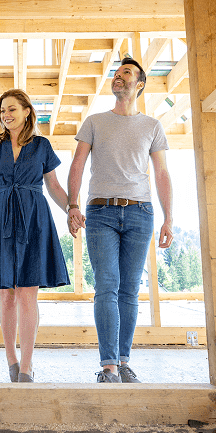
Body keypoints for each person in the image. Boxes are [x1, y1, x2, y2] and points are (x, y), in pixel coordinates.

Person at [67, 57, 174, 383]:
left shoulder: (152, 126)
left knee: (129, 290)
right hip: (101, 213)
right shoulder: (95, 122)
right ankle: (109, 367)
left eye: (125, 73)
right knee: (107, 286)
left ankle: (123, 362)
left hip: (141, 213)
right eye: (116, 73)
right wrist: (72, 205)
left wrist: (169, 218)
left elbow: (162, 173)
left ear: (139, 84)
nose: (118, 77)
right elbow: (77, 165)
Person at [0, 88, 71, 383]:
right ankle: (11, 360)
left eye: (12, 109)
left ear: (27, 111)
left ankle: (26, 367)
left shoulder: (42, 145)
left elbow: (53, 186)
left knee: (28, 293)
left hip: (34, 217)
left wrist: (73, 209)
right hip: (0, 216)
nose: (6, 115)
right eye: (2, 110)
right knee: (6, 294)